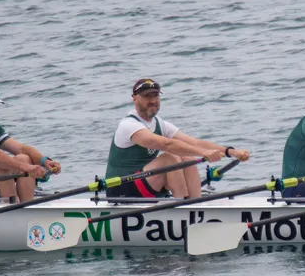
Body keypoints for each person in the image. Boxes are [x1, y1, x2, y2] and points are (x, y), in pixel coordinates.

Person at [105, 78, 250, 199]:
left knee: (187, 157)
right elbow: (167, 144)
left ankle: (195, 203)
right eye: (147, 96)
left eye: (155, 96)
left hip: (146, 183)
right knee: (170, 158)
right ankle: (182, 207)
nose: (153, 100)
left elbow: (194, 142)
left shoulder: (160, 124)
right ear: (134, 98)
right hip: (120, 188)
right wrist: (204, 153)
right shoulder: (129, 125)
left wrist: (231, 152)